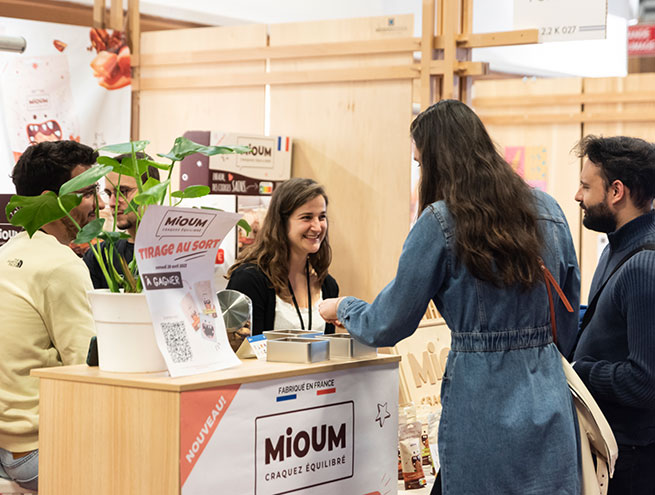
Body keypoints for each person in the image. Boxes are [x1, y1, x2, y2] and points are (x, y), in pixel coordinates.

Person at [319, 100, 581, 494]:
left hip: (482, 404)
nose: (421, 172)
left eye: (421, 162)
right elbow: (569, 312)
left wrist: (344, 307)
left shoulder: (440, 222)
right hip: (549, 396)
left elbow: (386, 323)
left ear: (439, 161)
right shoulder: (548, 210)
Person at [0, 140, 103, 491]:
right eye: (88, 193)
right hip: (35, 450)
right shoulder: (61, 265)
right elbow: (87, 370)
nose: (99, 205)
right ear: (51, 198)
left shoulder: (7, 252)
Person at [572, 135, 655, 495]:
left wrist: (579, 372)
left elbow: (645, 381)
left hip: (635, 459)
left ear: (616, 191)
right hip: (616, 449)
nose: (578, 197)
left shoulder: (644, 265)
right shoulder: (617, 250)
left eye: (586, 186)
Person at [226, 178, 339, 335]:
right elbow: (243, 352)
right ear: (281, 223)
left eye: (321, 217)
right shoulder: (249, 279)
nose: (317, 226)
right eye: (307, 217)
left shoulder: (327, 285)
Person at [83, 153, 160, 288]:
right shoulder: (99, 255)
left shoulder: (177, 252)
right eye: (109, 194)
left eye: (123, 191)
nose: (112, 203)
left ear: (153, 191)